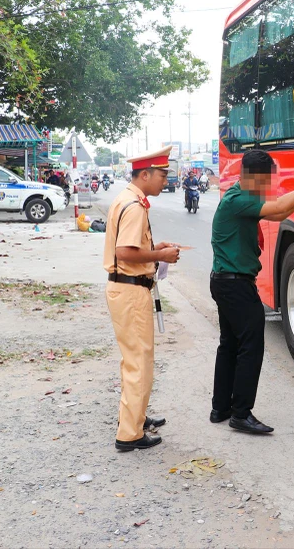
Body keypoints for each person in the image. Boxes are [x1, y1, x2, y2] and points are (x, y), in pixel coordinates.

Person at [210, 149, 294, 433]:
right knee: (251, 347)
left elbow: (281, 212)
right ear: (250, 178)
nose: (268, 187)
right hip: (235, 285)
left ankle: (221, 407)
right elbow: (278, 209)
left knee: (230, 345)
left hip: (226, 282)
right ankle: (240, 413)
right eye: (265, 181)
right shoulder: (237, 200)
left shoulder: (242, 196)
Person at [105, 145, 181, 450]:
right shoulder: (134, 205)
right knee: (139, 362)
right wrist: (160, 254)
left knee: (133, 359)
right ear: (145, 174)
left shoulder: (128, 199)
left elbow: (130, 247)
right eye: (162, 175)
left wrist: (154, 249)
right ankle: (130, 434)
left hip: (126, 288)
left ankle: (136, 417)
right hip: (130, 290)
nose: (166, 180)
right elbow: (125, 251)